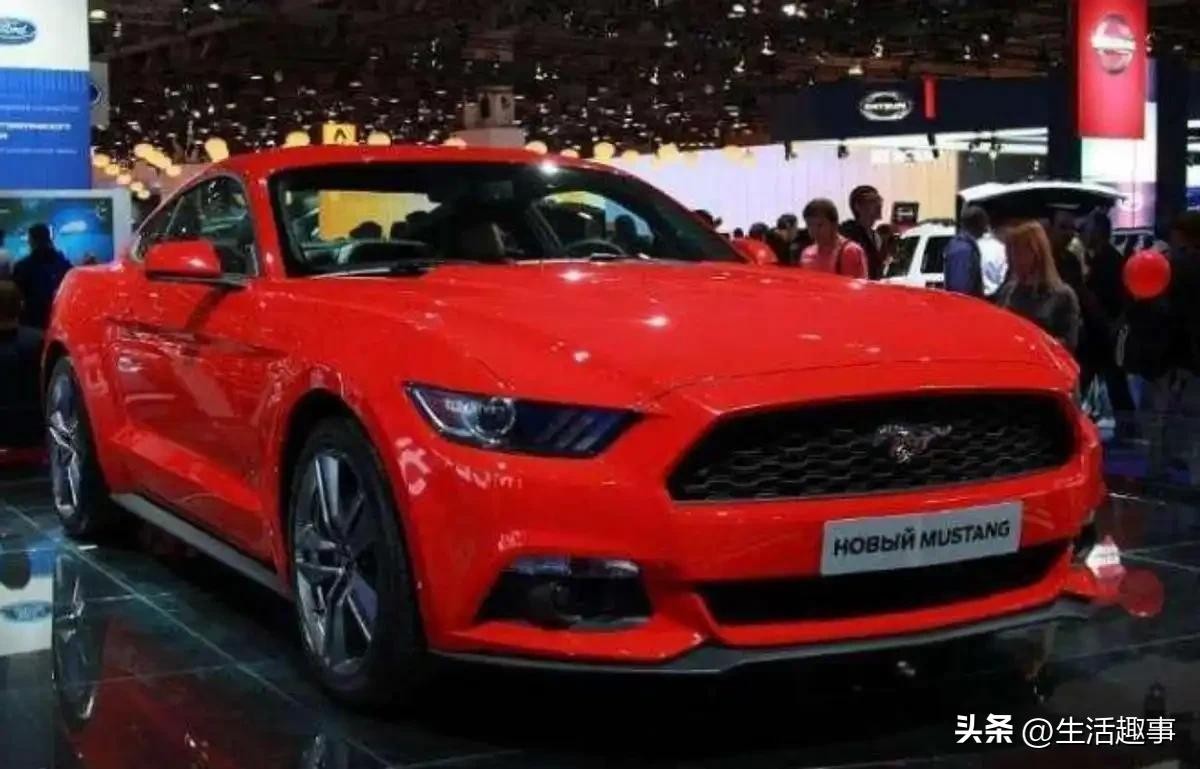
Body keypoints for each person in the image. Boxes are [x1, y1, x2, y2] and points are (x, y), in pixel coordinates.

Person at [993, 221, 1081, 351]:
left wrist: (1034, 343)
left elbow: (1069, 343)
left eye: (1017, 252)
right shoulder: (1008, 291)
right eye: (1010, 252)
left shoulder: (1063, 296)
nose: (1011, 259)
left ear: (1036, 252)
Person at [1081, 211, 1135, 415]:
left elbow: (1115, 299)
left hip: (1104, 334)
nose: (1082, 234)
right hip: (1102, 333)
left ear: (1098, 232)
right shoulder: (1103, 259)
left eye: (1087, 229)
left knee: (1113, 385)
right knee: (1116, 386)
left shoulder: (1108, 261)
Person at [12, 224, 72, 331]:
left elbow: (16, 296)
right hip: (59, 319)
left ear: (32, 241)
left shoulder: (23, 266)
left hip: (32, 322)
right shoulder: (64, 264)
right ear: (49, 238)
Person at [800, 198, 868, 278]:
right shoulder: (807, 254)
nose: (814, 231)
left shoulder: (850, 251)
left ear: (834, 225)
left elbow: (859, 284)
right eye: (809, 225)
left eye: (820, 225)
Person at [943, 206, 989, 298]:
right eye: (984, 224)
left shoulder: (963, 246)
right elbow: (960, 289)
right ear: (977, 224)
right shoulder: (963, 250)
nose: (985, 230)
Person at [840, 185, 885, 279]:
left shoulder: (877, 237)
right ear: (857, 206)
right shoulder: (847, 234)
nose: (878, 204)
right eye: (872, 201)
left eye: (879, 200)